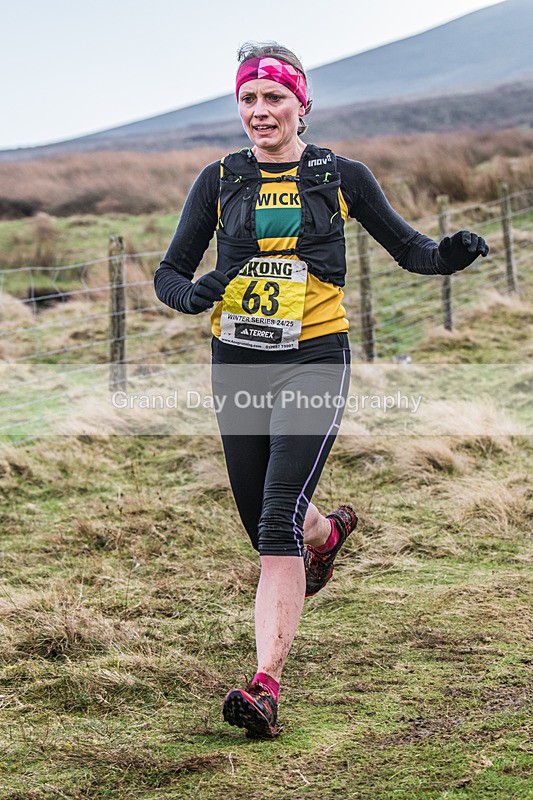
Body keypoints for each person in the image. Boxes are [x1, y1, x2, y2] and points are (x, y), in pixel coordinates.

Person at [154, 41, 489, 739]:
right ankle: (326, 533)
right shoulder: (219, 180)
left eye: (273, 97)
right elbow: (170, 275)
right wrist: (193, 295)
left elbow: (411, 251)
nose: (259, 110)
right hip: (237, 362)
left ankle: (264, 686)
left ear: (301, 104)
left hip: (313, 356)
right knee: (264, 520)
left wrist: (450, 253)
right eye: (248, 98)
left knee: (275, 519)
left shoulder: (340, 176)